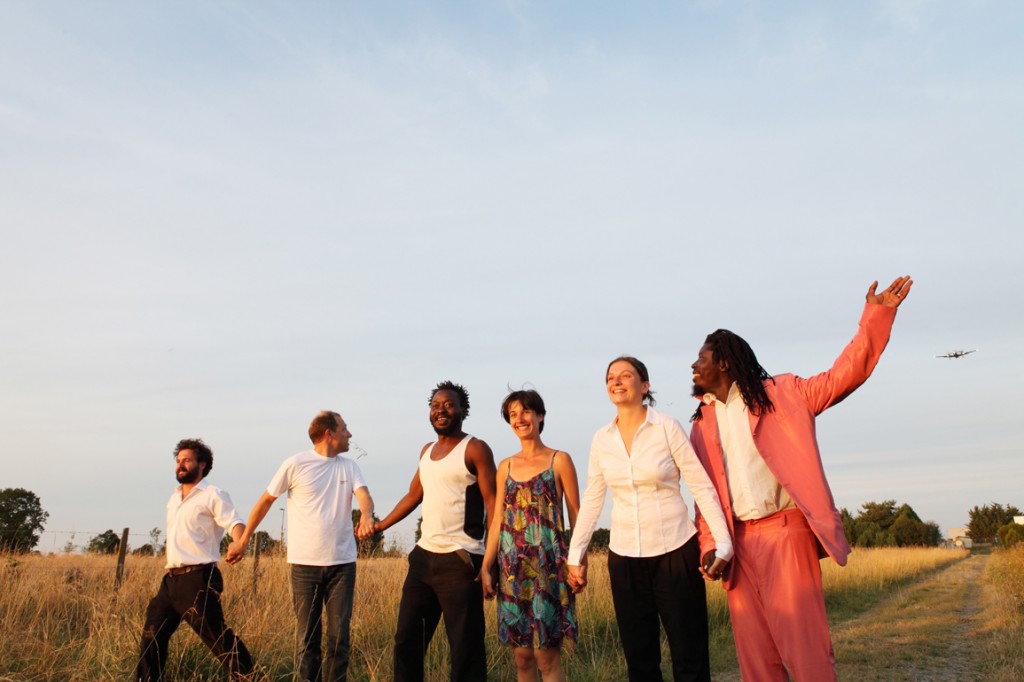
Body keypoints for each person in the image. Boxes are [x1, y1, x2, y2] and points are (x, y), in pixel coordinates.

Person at [689, 275, 913, 682]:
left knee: (806, 652)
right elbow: (704, 496)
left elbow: (844, 375)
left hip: (785, 535)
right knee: (756, 661)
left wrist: (875, 315)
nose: (693, 365)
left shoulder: (783, 393)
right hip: (737, 546)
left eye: (701, 358)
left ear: (723, 362)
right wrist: (710, 546)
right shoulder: (701, 423)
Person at [566, 357, 733, 682]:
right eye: (611, 377)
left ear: (644, 386)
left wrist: (723, 542)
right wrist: (576, 554)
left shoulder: (667, 427)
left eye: (626, 375)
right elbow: (592, 500)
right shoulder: (602, 439)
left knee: (690, 656)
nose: (617, 381)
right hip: (625, 559)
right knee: (640, 661)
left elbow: (700, 485)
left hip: (675, 553)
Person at [226, 411, 375, 682]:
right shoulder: (295, 464)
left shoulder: (350, 466)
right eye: (344, 428)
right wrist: (244, 538)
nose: (349, 434)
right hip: (305, 566)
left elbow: (364, 496)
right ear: (329, 433)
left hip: (342, 565)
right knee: (307, 640)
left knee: (339, 639)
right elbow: (266, 501)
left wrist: (366, 514)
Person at [375, 381, 497, 682]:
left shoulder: (476, 448)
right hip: (423, 559)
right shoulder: (426, 451)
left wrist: (491, 560)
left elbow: (494, 503)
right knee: (406, 641)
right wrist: (379, 526)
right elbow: (413, 495)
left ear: (463, 411)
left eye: (448, 405)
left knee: (464, 650)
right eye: (435, 406)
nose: (440, 410)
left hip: (461, 561)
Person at [481, 389, 582, 682]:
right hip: (512, 571)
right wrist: (488, 566)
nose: (520, 419)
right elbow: (498, 519)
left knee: (546, 658)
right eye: (513, 414)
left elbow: (576, 514)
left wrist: (578, 561)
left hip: (549, 569)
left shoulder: (559, 460)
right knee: (523, 659)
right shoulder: (505, 467)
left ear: (539, 416)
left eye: (525, 412)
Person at [135, 438, 254, 681]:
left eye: (186, 460)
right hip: (170, 581)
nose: (180, 465)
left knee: (218, 639)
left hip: (198, 579)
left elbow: (235, 523)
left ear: (202, 464)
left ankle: (253, 678)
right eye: (178, 461)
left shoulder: (213, 494)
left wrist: (239, 542)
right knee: (151, 638)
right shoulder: (174, 497)